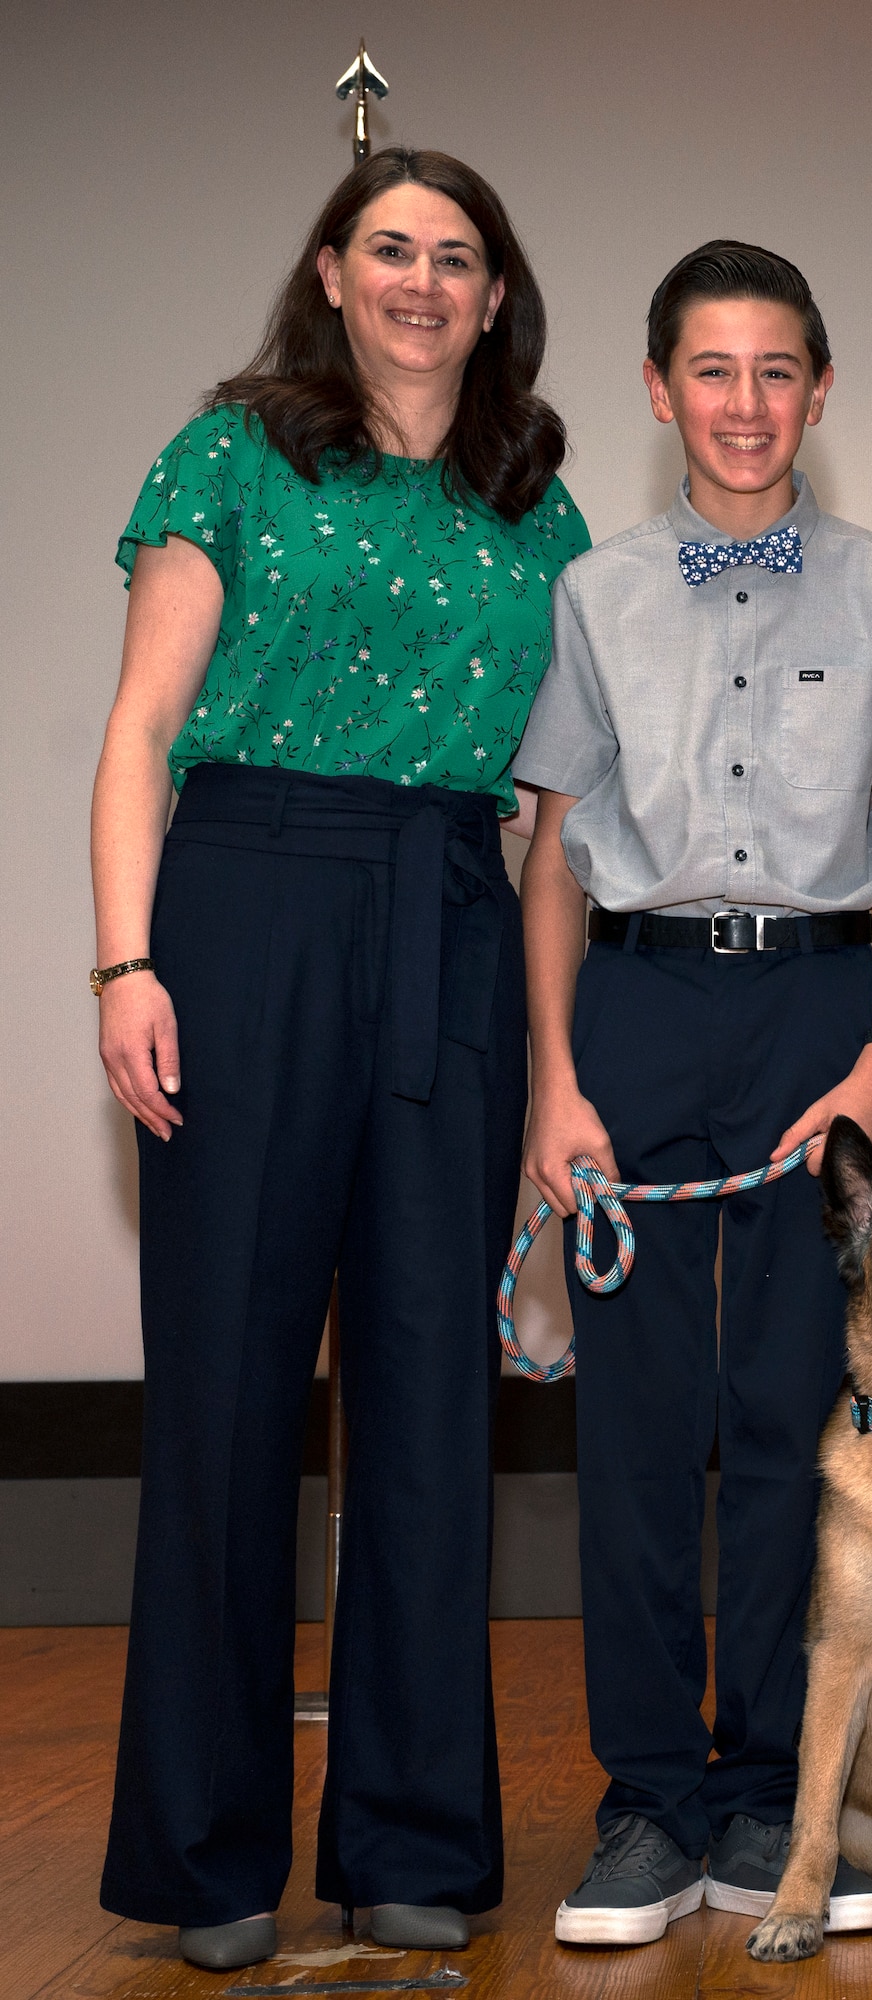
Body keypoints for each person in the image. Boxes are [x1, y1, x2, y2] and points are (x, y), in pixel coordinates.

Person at [91, 148, 588, 1971]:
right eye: (391, 248)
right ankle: (206, 1857)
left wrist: (556, 1069)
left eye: (458, 257)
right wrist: (128, 963)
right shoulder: (229, 454)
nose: (421, 281)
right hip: (243, 903)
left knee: (431, 1405)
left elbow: (560, 831)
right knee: (225, 1397)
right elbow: (142, 731)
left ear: (494, 293)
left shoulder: (538, 508)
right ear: (330, 267)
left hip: (453, 909)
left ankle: (416, 1841)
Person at [513, 240, 872, 1947]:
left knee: (802, 1416)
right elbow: (558, 858)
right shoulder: (597, 596)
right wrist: (554, 1086)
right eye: (709, 372)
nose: (744, 403)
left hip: (819, 1005)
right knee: (645, 1426)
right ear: (660, 392)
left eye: (776, 370)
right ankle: (648, 1801)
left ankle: (768, 1800)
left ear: (817, 387)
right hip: (641, 1006)